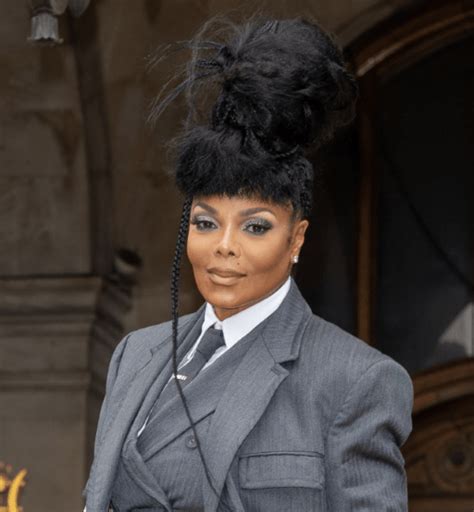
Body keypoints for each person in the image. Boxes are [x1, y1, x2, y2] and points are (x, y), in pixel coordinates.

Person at [83, 16, 413, 512]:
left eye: (255, 227)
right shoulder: (135, 354)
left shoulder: (355, 379)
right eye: (205, 223)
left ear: (296, 239)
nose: (224, 246)